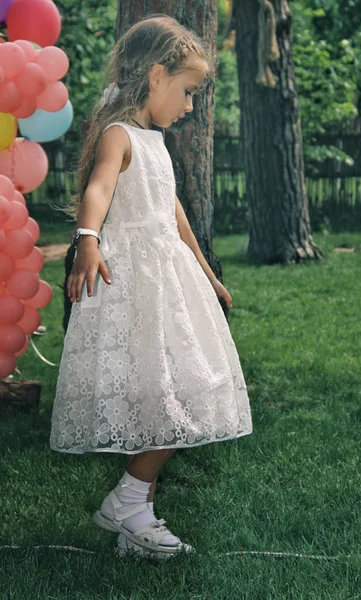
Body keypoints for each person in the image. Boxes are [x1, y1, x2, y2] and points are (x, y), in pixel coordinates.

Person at [50, 14, 253, 559]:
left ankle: (135, 518)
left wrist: (209, 275)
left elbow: (176, 215)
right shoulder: (119, 135)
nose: (189, 106)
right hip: (136, 284)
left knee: (169, 396)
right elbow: (98, 188)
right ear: (157, 76)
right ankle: (130, 501)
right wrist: (88, 237)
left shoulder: (156, 140)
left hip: (171, 282)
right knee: (168, 399)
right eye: (186, 92)